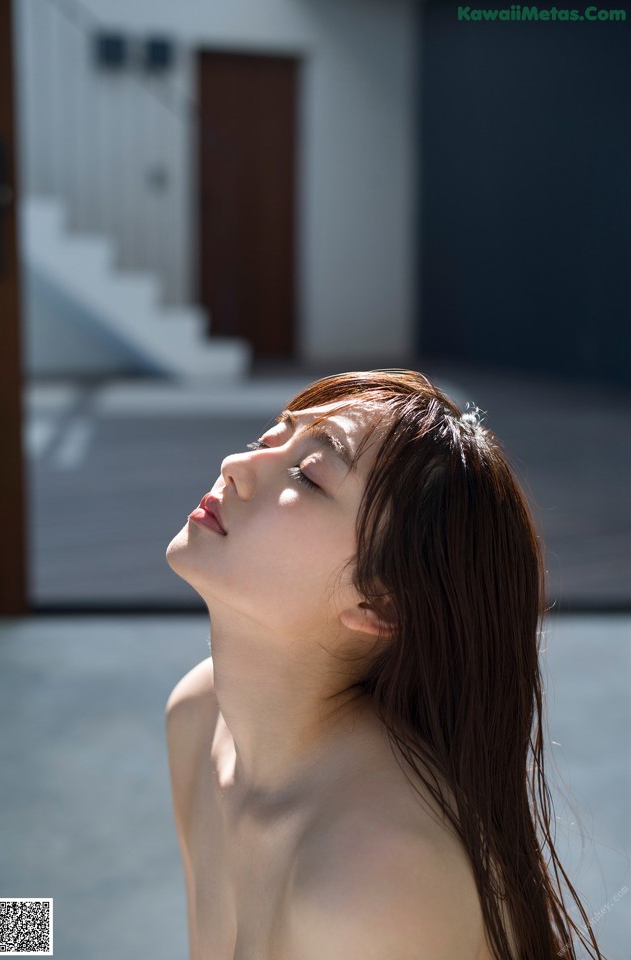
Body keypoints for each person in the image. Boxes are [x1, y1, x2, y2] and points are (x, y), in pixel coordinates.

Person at [165, 368, 604, 960]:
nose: (236, 466)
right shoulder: (197, 715)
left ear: (380, 603)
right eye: (270, 439)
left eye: (310, 474)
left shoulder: (375, 881)